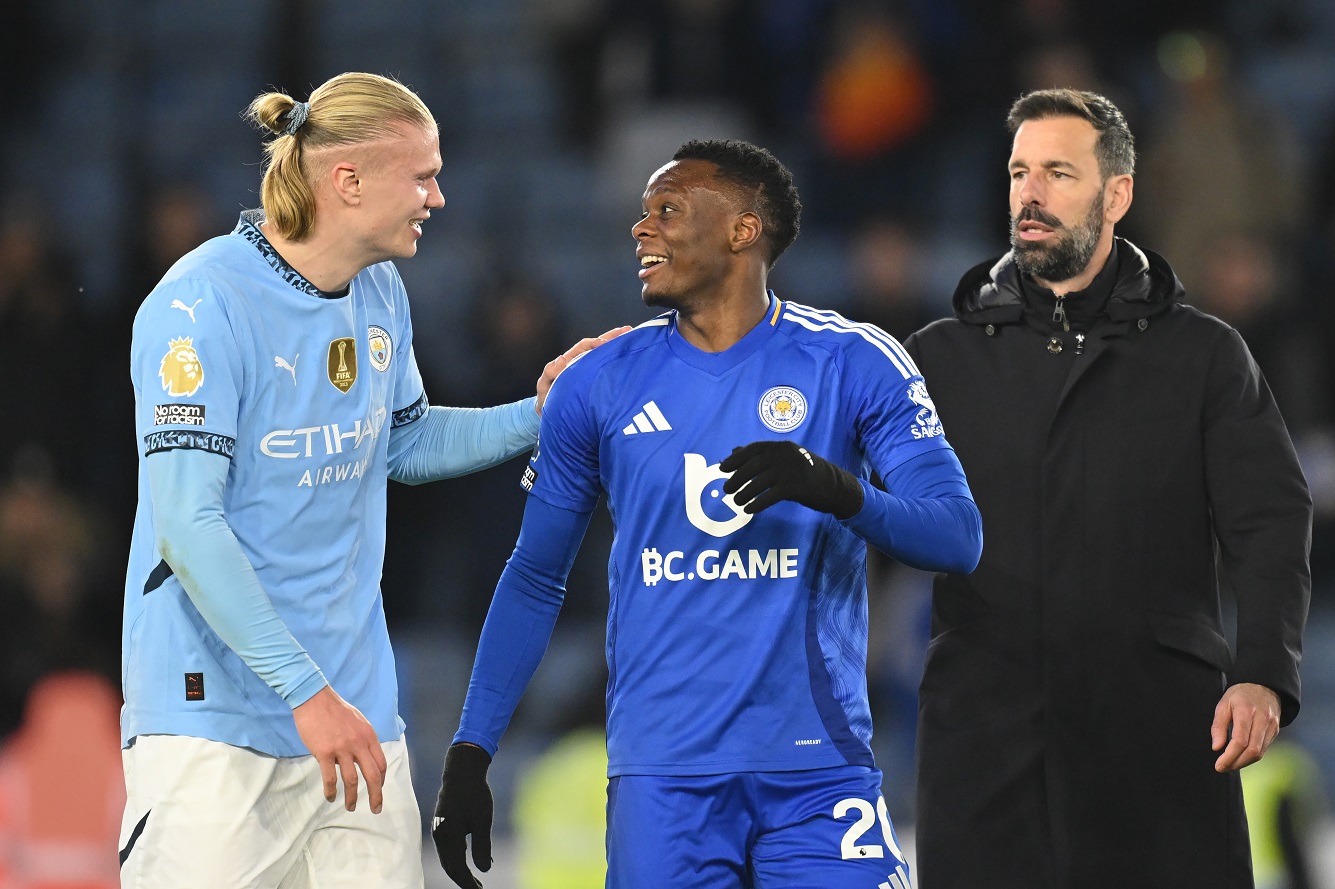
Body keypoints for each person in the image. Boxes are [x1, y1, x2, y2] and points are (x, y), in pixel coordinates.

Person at [430, 138, 983, 889]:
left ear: (742, 229)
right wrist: (471, 750)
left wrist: (834, 488)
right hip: (663, 782)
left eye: (668, 209)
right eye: (642, 211)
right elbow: (534, 578)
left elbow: (956, 535)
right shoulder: (597, 383)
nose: (641, 228)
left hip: (817, 773)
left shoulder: (854, 361)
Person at [119, 72, 625, 888]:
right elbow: (186, 521)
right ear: (347, 182)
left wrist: (539, 411)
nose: (438, 197)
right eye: (421, 176)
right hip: (211, 724)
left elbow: (404, 441)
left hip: (354, 721)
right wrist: (304, 693)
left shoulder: (380, 291)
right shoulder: (199, 304)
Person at [902, 88, 1312, 888]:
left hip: (1157, 735)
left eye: (1058, 171)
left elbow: (1268, 519)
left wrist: (1262, 669)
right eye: (1019, 171)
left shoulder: (1203, 356)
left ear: (1116, 194)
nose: (1030, 192)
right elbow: (835, 488)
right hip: (984, 741)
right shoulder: (936, 357)